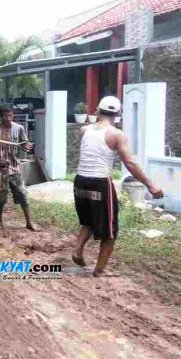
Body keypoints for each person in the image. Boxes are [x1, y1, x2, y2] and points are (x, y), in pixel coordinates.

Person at [72, 96, 163, 277]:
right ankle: (99, 271)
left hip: (80, 181)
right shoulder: (117, 135)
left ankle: (77, 251)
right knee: (110, 230)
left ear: (97, 109)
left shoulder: (84, 129)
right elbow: (130, 162)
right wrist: (150, 185)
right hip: (99, 183)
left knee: (89, 221)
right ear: (118, 113)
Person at [0, 104, 38, 231]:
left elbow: (25, 145)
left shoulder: (19, 128)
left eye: (10, 115)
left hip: (14, 167)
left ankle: (29, 222)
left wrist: (28, 147)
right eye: (5, 116)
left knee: (23, 195)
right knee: (0, 197)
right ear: (0, 116)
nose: (8, 118)